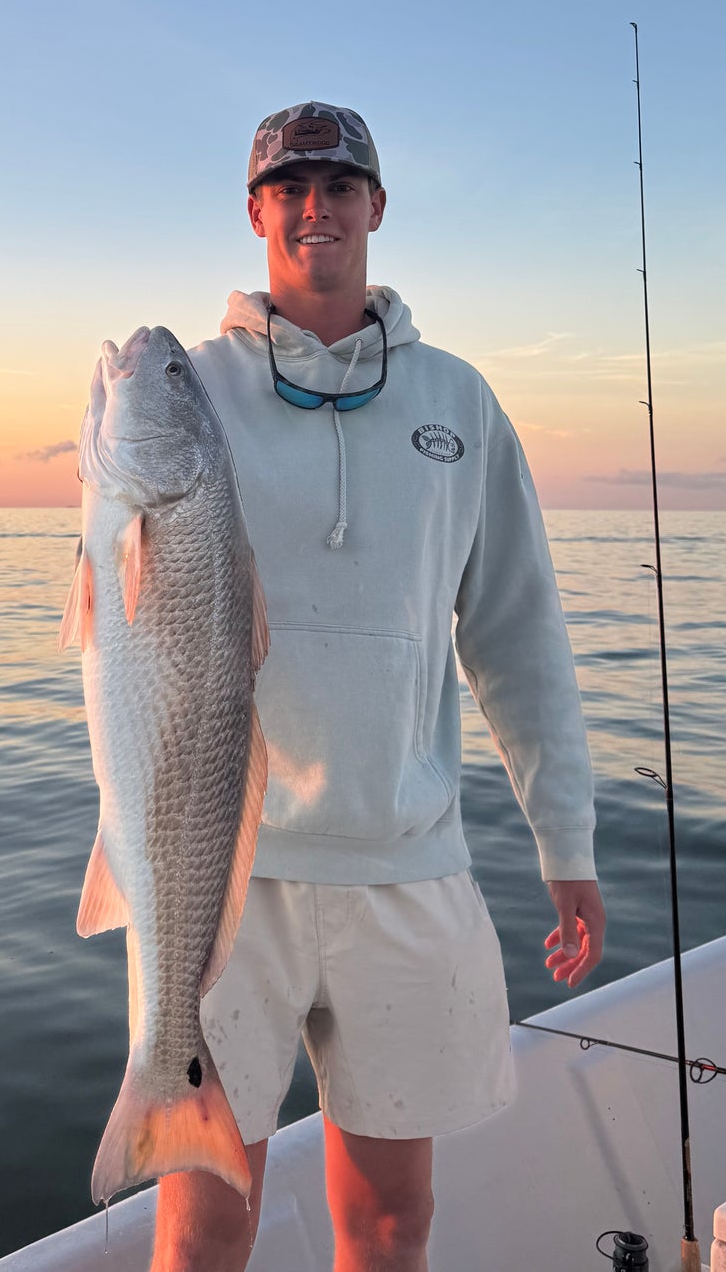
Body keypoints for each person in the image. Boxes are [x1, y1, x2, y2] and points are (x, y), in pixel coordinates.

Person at [155, 101, 604, 1272]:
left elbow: (515, 633)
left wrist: (566, 841)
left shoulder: (456, 402)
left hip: (407, 862)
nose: (316, 204)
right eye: (290, 185)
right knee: (204, 1225)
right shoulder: (184, 392)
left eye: (338, 184)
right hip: (224, 874)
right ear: (254, 210)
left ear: (374, 208)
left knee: (395, 1218)